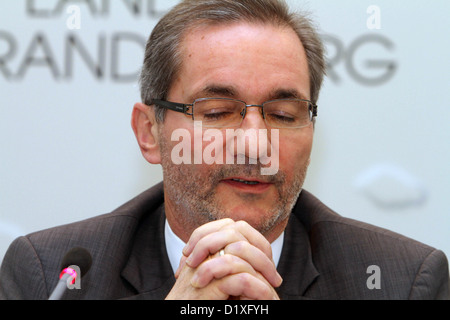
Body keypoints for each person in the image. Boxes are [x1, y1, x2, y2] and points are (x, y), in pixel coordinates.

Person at [0, 0, 448, 300]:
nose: (255, 144)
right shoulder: (53, 277)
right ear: (150, 133)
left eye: (283, 114)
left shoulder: (401, 280)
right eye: (216, 112)